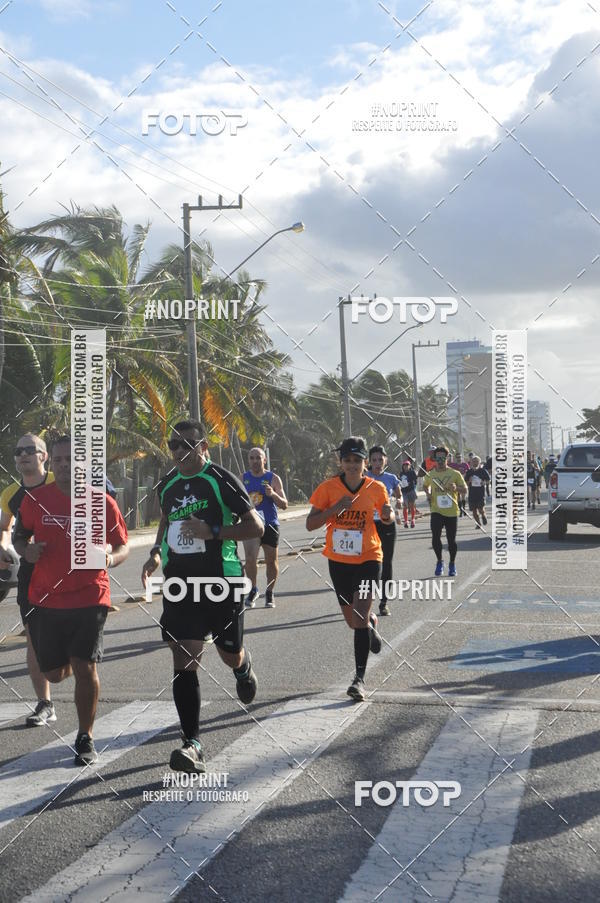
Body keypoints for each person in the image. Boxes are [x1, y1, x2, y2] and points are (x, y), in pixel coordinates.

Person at [141, 421, 264, 774]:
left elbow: (255, 526)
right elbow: (165, 521)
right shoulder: (166, 484)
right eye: (174, 445)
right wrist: (155, 553)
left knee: (229, 653)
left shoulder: (221, 480)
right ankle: (192, 744)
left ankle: (242, 667)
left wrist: (212, 531)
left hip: (221, 581)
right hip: (180, 582)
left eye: (187, 444)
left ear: (203, 446)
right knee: (184, 655)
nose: (180, 451)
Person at [13, 436, 129, 765]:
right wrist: (27, 551)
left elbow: (122, 545)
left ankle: (85, 736)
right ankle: (64, 664)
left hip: (90, 595)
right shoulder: (35, 501)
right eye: (59, 460)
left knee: (85, 667)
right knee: (53, 674)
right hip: (46, 598)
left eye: (72, 460)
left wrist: (109, 559)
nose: (65, 465)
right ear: (51, 463)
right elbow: (19, 537)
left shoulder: (103, 502)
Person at [306, 437, 392, 702]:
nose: (352, 465)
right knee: (354, 622)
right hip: (339, 561)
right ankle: (371, 625)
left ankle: (359, 679)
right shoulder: (328, 488)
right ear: (340, 462)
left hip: (369, 558)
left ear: (365, 463)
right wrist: (335, 508)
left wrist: (388, 514)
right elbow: (310, 524)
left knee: (359, 615)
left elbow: (387, 516)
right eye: (347, 460)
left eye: (357, 460)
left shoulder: (376, 488)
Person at [0, 434, 57, 727]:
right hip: (31, 574)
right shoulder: (11, 493)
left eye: (29, 450)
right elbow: (5, 527)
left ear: (44, 456)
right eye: (18, 451)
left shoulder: (61, 483)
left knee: (69, 642)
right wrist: (3, 548)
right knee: (34, 639)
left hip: (68, 574)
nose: (22, 455)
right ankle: (45, 704)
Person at [242, 447, 288, 609]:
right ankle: (253, 589)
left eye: (258, 457)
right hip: (251, 525)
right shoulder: (243, 479)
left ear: (264, 460)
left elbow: (284, 504)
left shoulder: (273, 478)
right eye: (252, 458)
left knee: (271, 561)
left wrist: (273, 495)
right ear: (248, 460)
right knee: (250, 559)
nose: (255, 461)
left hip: (270, 525)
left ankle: (269, 592)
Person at [366, 445, 402, 617]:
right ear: (369, 461)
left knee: (386, 563)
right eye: (374, 460)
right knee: (369, 563)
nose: (377, 463)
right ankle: (366, 599)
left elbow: (399, 494)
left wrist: (400, 501)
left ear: (385, 461)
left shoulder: (391, 478)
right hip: (368, 526)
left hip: (386, 524)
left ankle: (384, 602)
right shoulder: (363, 477)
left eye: (380, 459)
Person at [423, 446, 467, 578]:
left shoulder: (455, 474)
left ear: (447, 458)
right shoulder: (430, 474)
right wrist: (428, 493)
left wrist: (456, 488)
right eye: (438, 458)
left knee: (451, 540)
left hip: (451, 511)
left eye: (443, 458)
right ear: (435, 459)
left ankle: (452, 563)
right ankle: (439, 561)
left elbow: (465, 490)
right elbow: (425, 485)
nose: (440, 460)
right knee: (435, 537)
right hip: (436, 510)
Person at [465, 455, 490, 528]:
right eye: (473, 461)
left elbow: (488, 480)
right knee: (474, 511)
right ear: (471, 462)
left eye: (476, 461)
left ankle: (483, 515)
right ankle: (478, 524)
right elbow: (465, 483)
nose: (475, 463)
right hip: (472, 494)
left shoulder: (483, 471)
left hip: (480, 493)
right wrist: (469, 481)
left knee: (481, 509)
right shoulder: (469, 472)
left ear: (479, 462)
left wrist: (484, 482)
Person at [399, 459, 418, 529]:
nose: (406, 466)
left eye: (407, 465)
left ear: (410, 466)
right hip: (404, 492)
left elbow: (415, 481)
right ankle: (406, 521)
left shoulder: (412, 472)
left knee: (412, 506)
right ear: (403, 466)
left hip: (411, 490)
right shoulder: (401, 473)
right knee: (405, 506)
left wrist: (410, 483)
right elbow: (400, 481)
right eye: (404, 465)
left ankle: (413, 520)